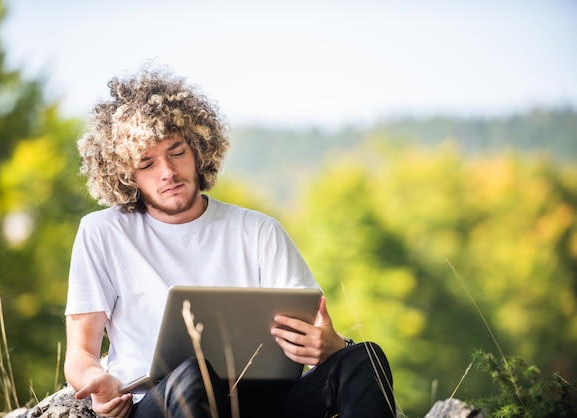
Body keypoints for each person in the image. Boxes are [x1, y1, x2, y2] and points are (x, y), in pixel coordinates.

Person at [63, 65, 395, 418]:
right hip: (158, 404)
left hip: (264, 402)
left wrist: (332, 346)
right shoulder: (102, 233)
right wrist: (98, 380)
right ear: (126, 174)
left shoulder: (259, 230)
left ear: (198, 148)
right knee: (196, 373)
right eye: (147, 163)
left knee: (365, 358)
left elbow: (311, 330)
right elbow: (80, 353)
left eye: (176, 152)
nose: (168, 172)